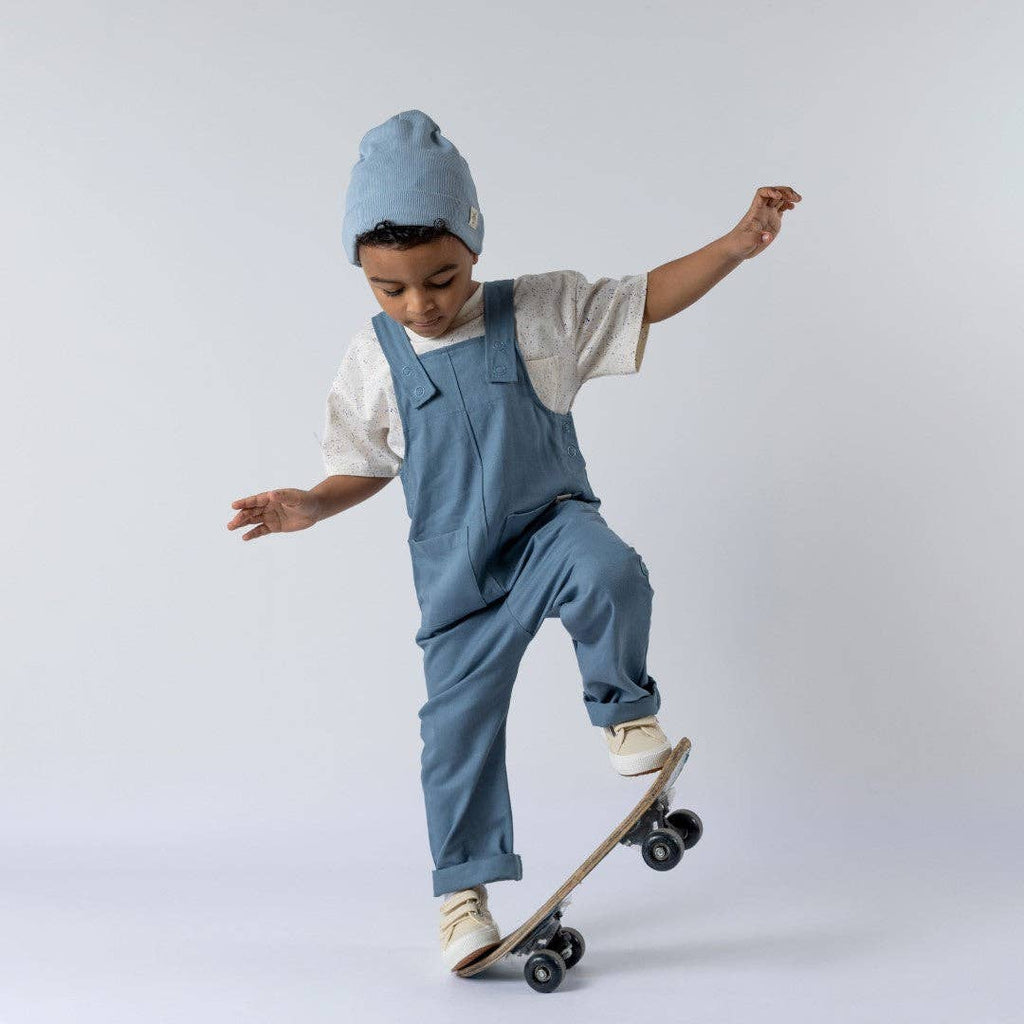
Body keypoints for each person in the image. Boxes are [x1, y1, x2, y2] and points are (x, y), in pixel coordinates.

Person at [227, 108, 800, 973]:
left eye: (441, 277)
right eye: (390, 289)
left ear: (474, 244)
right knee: (453, 735)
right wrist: (311, 504)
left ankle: (623, 712)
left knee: (611, 571)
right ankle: (463, 893)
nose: (420, 303)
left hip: (549, 530)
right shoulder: (372, 360)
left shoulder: (538, 312)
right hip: (459, 578)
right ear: (364, 275)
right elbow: (363, 464)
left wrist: (735, 244)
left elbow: (644, 297)